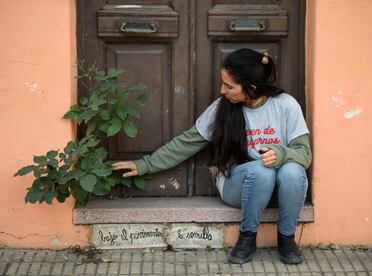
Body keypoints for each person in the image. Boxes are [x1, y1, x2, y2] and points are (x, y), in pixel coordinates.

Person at [112, 48, 312, 265]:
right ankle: (247, 237)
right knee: (261, 170)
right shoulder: (222, 108)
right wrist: (145, 165)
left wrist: (281, 153)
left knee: (293, 170)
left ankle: (286, 239)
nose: (222, 90)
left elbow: (304, 154)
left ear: (251, 89)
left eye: (229, 86)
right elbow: (186, 143)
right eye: (222, 83)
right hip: (239, 186)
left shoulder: (285, 105)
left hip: (278, 192)